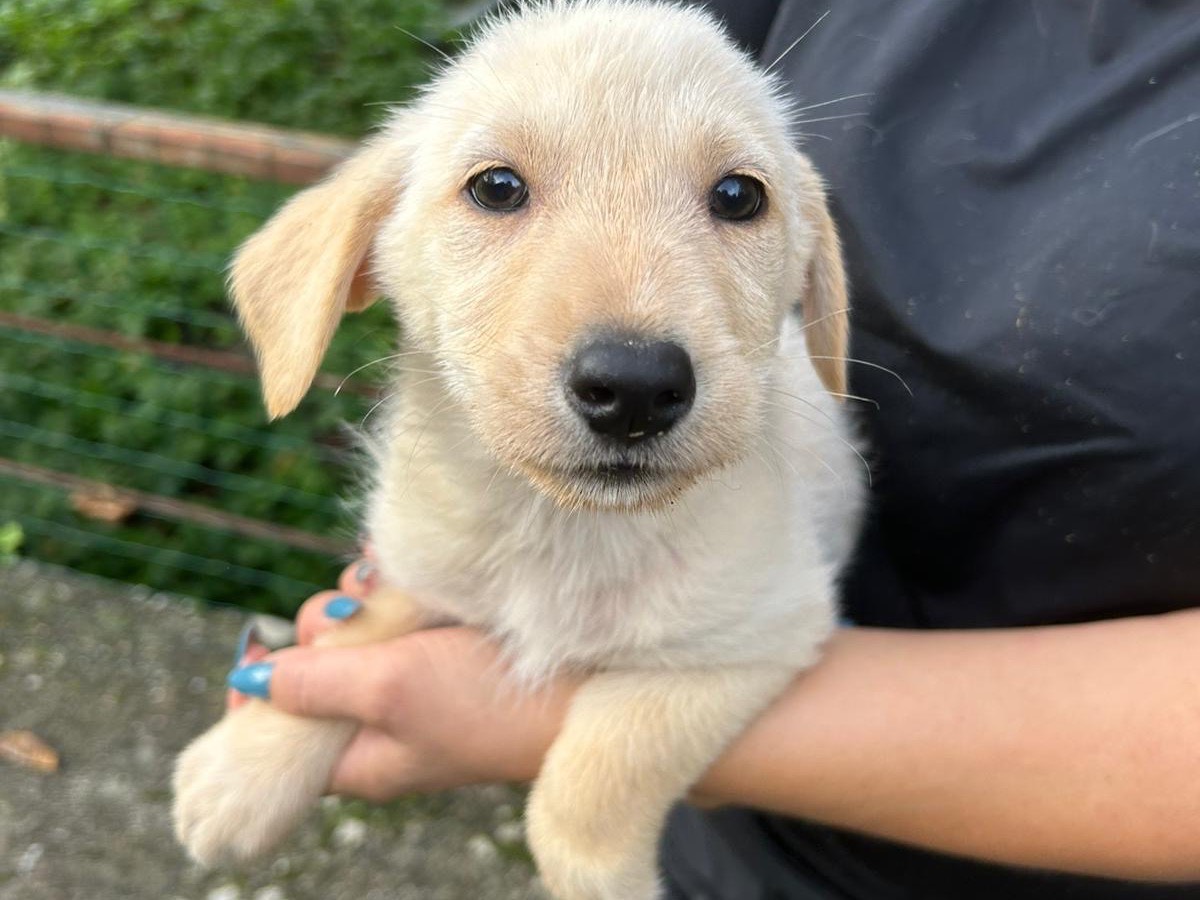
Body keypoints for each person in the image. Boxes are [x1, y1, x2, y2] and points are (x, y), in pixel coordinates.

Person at [227, 2, 1200, 896]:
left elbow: (757, 640)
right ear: (360, 250)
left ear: (815, 277)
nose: (637, 356)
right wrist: (332, 681)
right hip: (739, 862)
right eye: (498, 189)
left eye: (735, 199)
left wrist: (574, 805)